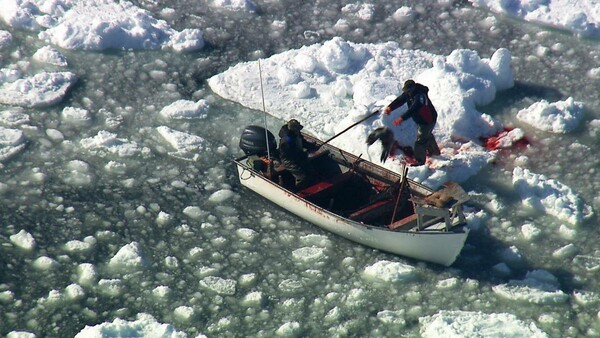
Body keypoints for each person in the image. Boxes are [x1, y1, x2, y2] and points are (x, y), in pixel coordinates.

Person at [383, 79, 441, 166]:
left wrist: (402, 118)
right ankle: (435, 152)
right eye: (406, 91)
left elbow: (414, 108)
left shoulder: (420, 96)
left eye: (408, 90)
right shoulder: (409, 93)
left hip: (428, 120)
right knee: (426, 135)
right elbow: (400, 100)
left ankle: (420, 161)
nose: (407, 92)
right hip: (421, 120)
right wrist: (390, 107)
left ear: (413, 88)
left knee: (420, 141)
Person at [278, 119, 317, 188]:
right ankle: (299, 189)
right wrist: (303, 154)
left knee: (311, 172)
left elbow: (303, 142)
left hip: (299, 156)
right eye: (297, 129)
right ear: (293, 130)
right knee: (302, 177)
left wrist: (312, 146)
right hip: (289, 161)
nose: (299, 131)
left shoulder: (296, 134)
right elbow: (289, 155)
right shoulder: (286, 141)